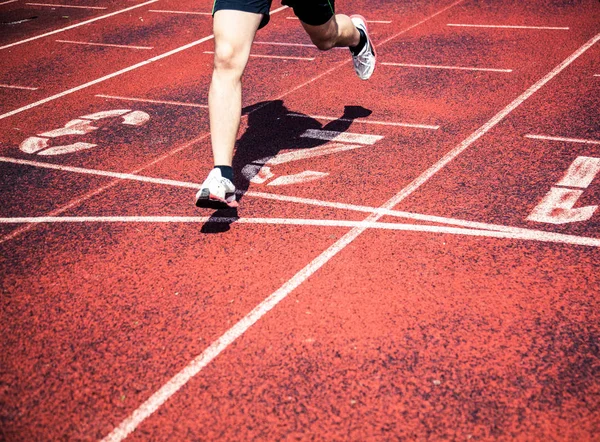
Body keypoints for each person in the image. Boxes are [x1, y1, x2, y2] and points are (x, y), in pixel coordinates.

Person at [195, 0, 376, 208]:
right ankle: (222, 175)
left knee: (326, 37)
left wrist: (348, 117)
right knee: (226, 56)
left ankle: (358, 36)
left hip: (302, 129)